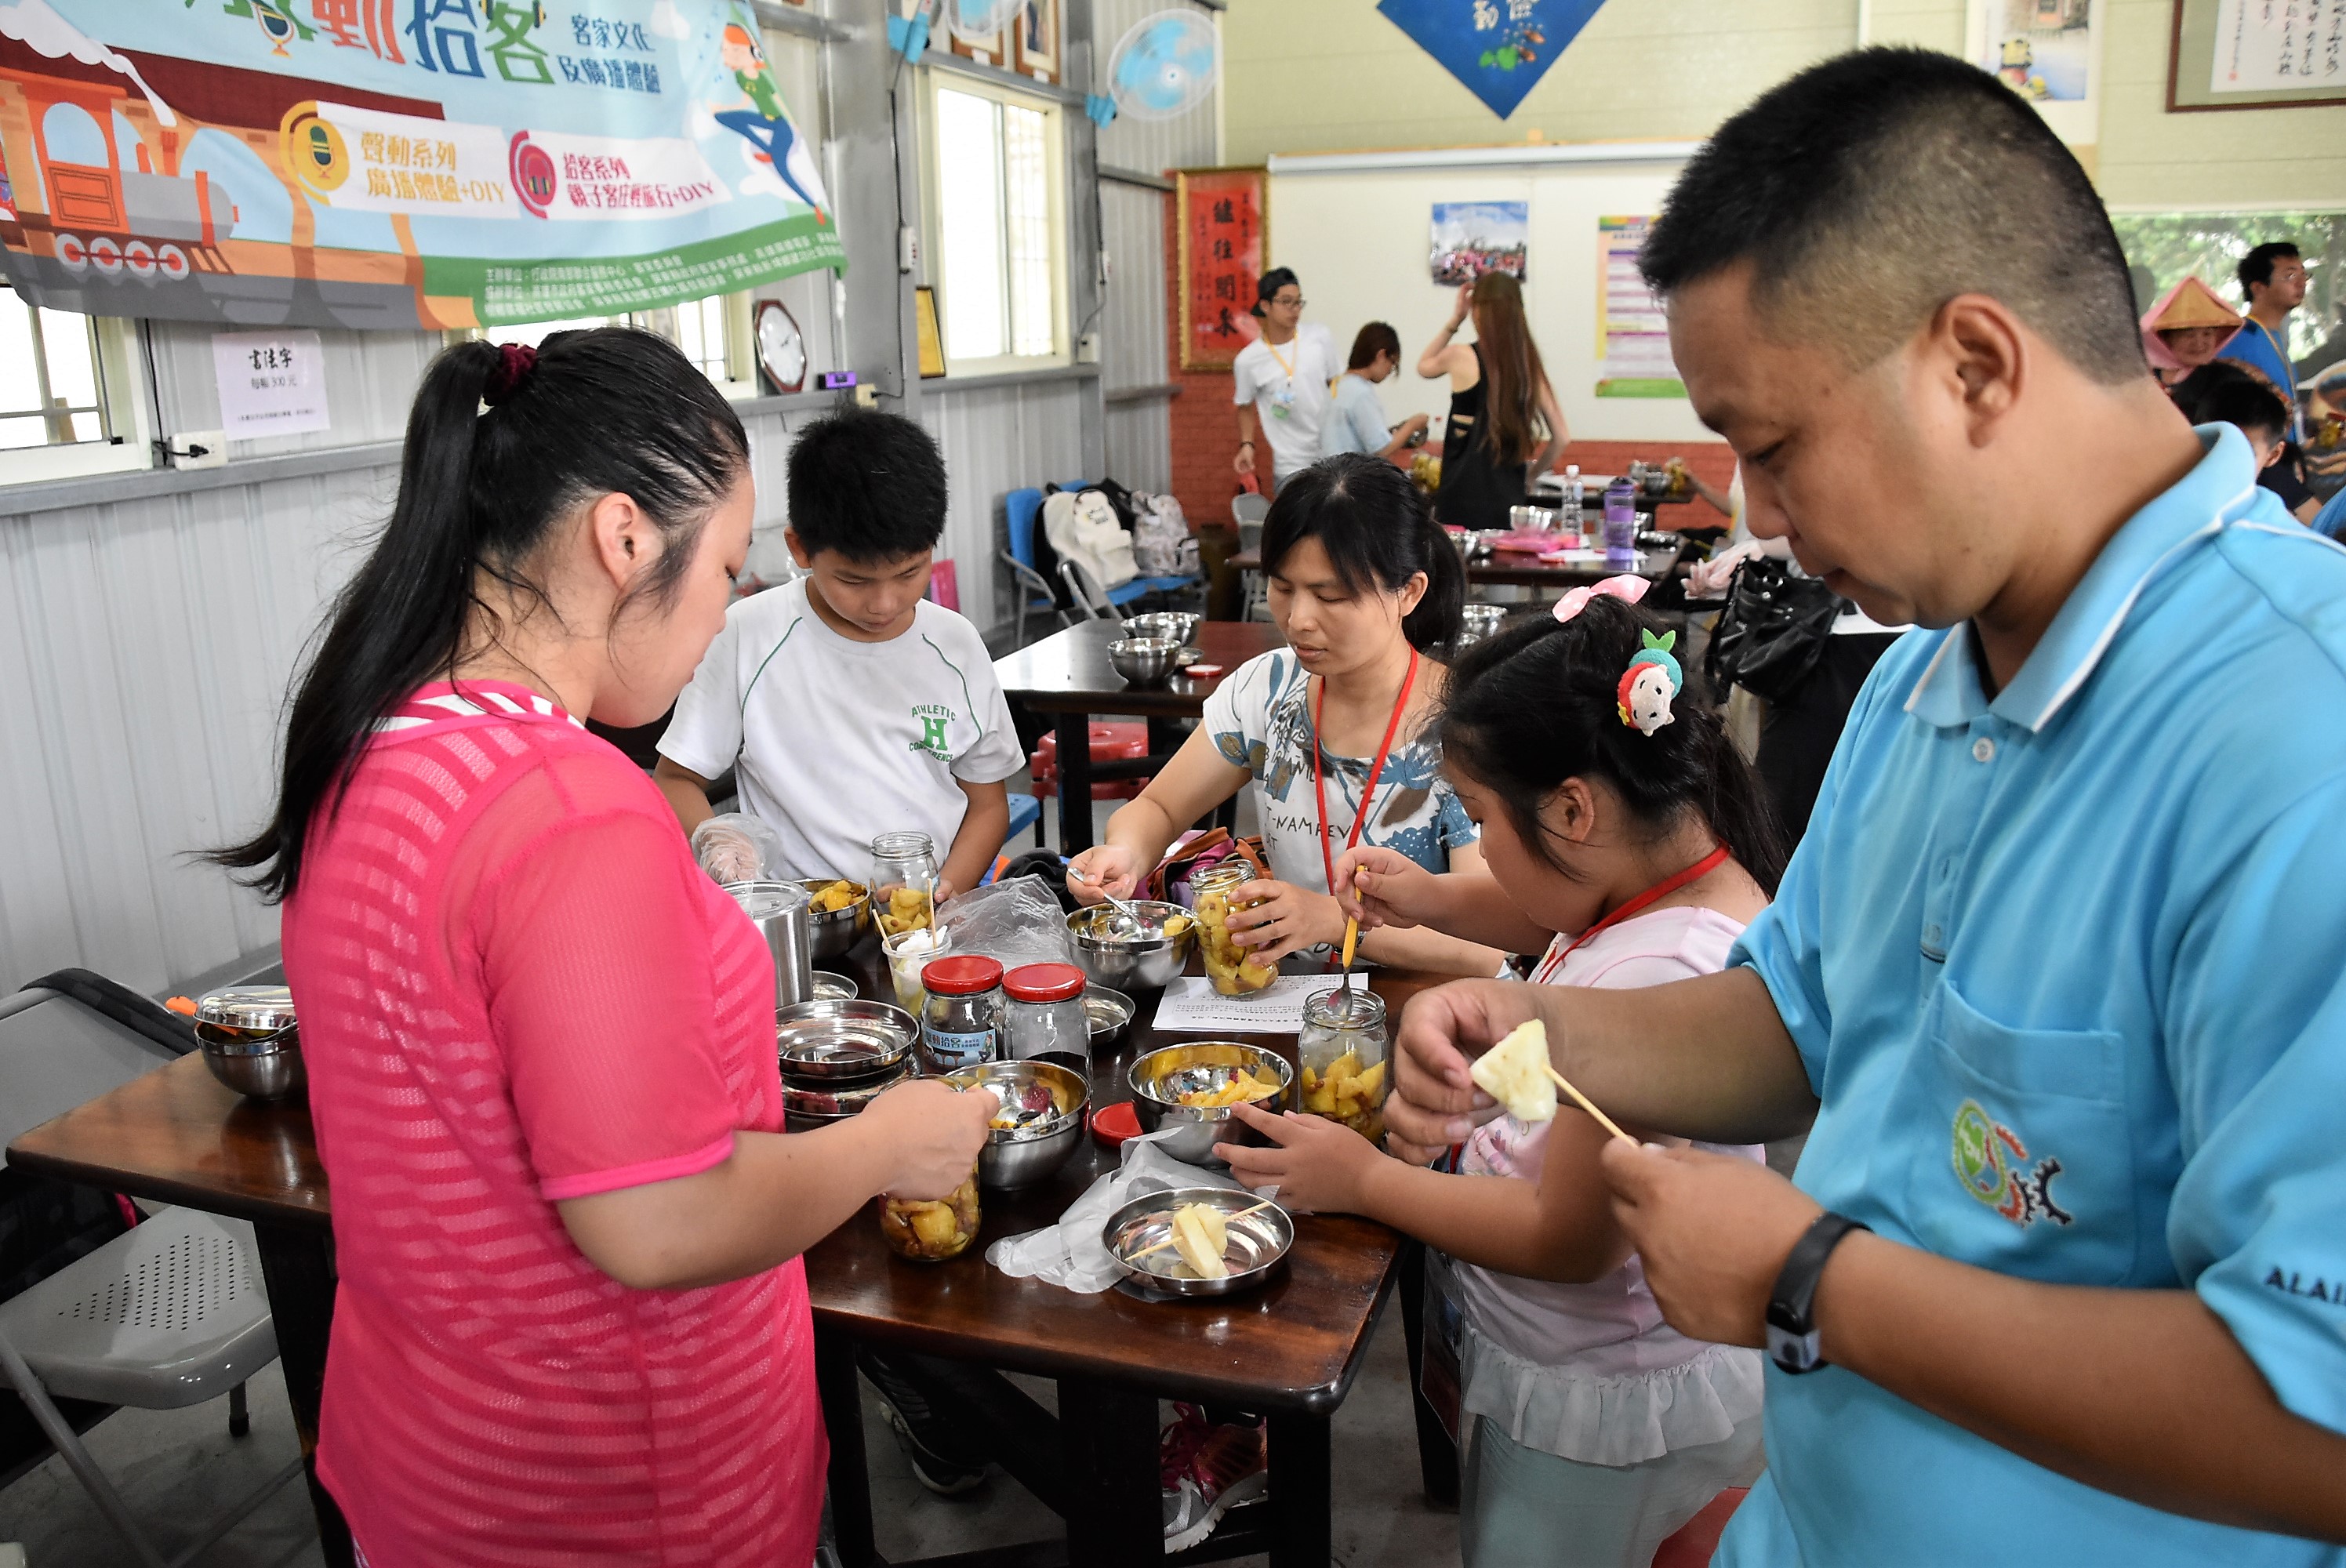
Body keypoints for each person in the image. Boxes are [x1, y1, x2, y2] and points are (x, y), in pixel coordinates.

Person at [1378, 47, 2346, 1566]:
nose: (1759, 517)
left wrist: (1813, 1279)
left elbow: (2318, 1422)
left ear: (1972, 363)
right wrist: (1538, 1031)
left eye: (1770, 448)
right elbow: (1797, 1020)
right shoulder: (1912, 686)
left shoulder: (2296, 744)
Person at [216, 329, 996, 1565]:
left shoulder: (375, 748)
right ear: (625, 540)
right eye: (728, 571)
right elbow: (658, 1224)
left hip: (427, 1458)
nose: (726, 613)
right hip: (617, 1491)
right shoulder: (573, 810)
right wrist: (881, 1145)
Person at [1229, 587, 1781, 1567]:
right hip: (1566, 1356)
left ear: (1574, 807)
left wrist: (1364, 1184)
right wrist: (1432, 894)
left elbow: (1569, 1238)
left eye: (1479, 821)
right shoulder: (1645, 877)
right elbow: (1547, 914)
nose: (1475, 846)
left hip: (1599, 1400)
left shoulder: (1667, 973)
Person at [1067, 454, 1505, 980]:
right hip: (1284, 996)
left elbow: (1492, 947)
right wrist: (1125, 855)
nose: (1298, 620)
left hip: (1421, 1008)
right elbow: (1160, 807)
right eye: (1282, 587)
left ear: (1408, 592)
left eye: (1331, 596)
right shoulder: (1268, 690)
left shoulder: (1466, 727)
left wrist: (1335, 922)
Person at [653, 405, 1026, 898]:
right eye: (854, 580)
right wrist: (721, 848)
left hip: (925, 920)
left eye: (910, 573)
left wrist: (946, 888)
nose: (885, 603)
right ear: (801, 549)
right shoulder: (747, 636)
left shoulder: (955, 646)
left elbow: (987, 803)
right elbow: (676, 778)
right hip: (802, 921)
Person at [1418, 271, 1569, 529]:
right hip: (1508, 507)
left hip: (1458, 504)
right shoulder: (1528, 367)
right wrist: (1531, 476)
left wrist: (1455, 320)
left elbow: (1424, 366)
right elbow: (1562, 438)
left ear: (1478, 311)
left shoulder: (1461, 356)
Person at [1232, 268, 1338, 493]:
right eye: (1286, 302)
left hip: (1331, 456)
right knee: (1296, 528)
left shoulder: (1319, 337)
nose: (1295, 309)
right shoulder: (1248, 361)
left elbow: (1336, 385)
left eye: (1299, 302)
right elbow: (1244, 405)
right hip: (1290, 465)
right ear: (1265, 306)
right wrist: (1247, 445)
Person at [2170, 361, 2315, 520]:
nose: (2223, 462)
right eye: (2213, 445)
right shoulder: (2167, 499)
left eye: (2243, 453)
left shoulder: (2280, 528)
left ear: (2273, 455)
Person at [2217, 241, 2308, 438]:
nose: (2301, 283)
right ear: (2258, 288)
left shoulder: (2273, 337)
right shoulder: (2238, 339)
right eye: (2290, 276)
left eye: (2304, 274)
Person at [1322, 321, 1431, 460]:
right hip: (1352, 474)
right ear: (1381, 355)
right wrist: (1412, 425)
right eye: (1392, 365)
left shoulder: (1337, 384)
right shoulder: (1360, 393)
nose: (1388, 372)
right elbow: (1381, 449)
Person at [2138, 275, 2242, 390]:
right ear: (2166, 338)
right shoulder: (2143, 378)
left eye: (2207, 334)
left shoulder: (2230, 379)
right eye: (2189, 335)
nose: (2199, 343)